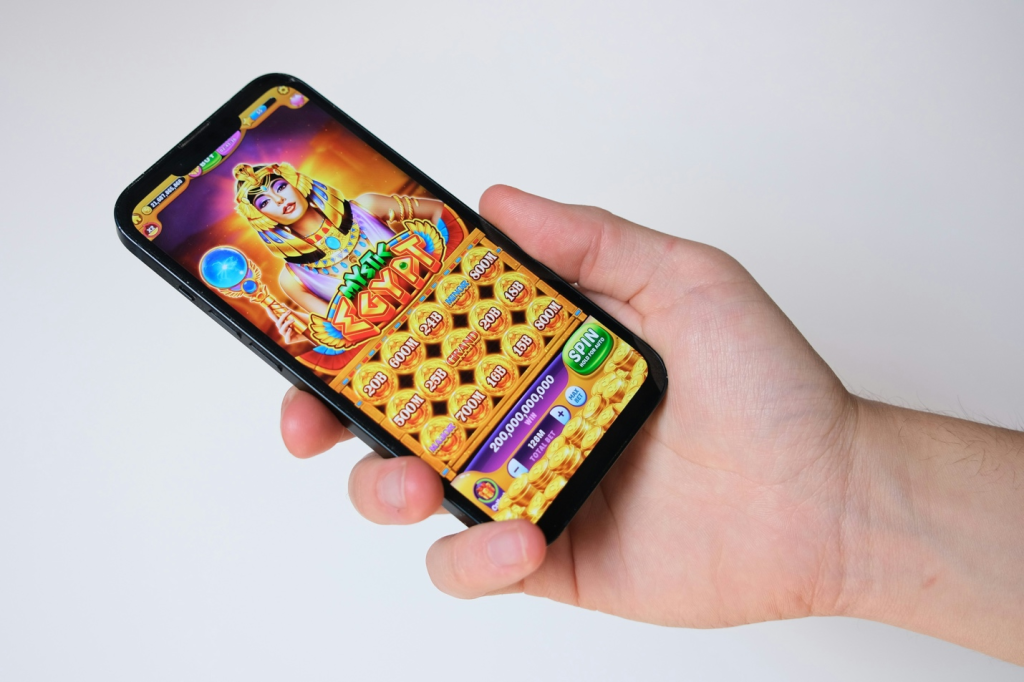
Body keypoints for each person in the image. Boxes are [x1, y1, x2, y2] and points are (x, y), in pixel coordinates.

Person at [279, 185, 1024, 665]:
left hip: (496, 325)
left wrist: (840, 488)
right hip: (422, 366)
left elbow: (441, 224)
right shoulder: (290, 276)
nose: (277, 195)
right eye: (261, 197)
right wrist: (840, 524)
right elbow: (326, 332)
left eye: (274, 180)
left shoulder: (370, 202)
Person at [232, 162, 446, 346]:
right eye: (265, 202)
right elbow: (347, 333)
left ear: (296, 182)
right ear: (260, 217)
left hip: (449, 292)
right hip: (404, 345)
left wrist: (451, 263)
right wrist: (308, 333)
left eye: (280, 187)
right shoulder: (292, 279)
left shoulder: (367, 206)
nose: (279, 200)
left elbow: (441, 212)